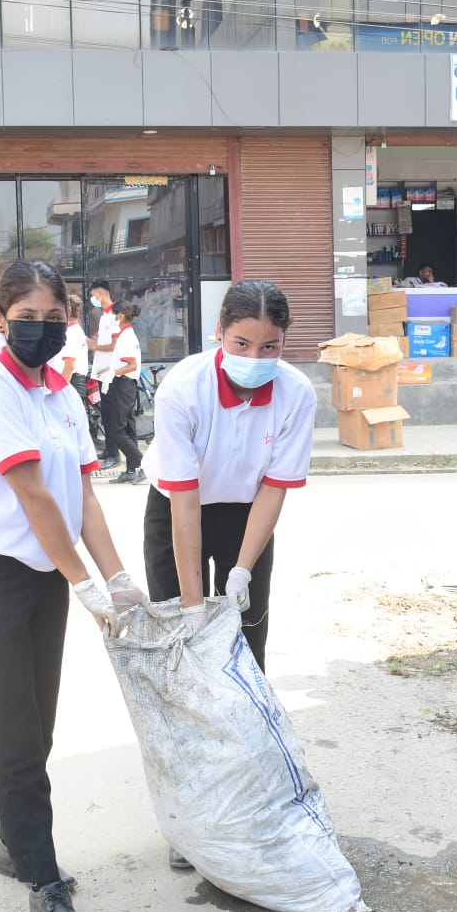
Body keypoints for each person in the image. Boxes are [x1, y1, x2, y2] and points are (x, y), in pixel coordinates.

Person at [0, 259, 146, 912]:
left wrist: (117, 579)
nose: (39, 329)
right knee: (13, 734)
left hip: (46, 573)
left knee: (39, 723)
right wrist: (85, 585)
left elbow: (82, 495)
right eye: (25, 318)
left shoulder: (60, 391)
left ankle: (14, 843)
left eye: (52, 317)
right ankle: (42, 878)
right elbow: (31, 492)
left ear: (69, 320)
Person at [142, 279, 316, 673]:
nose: (254, 357)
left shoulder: (297, 393)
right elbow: (184, 501)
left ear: (284, 341)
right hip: (177, 510)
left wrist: (242, 570)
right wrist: (191, 606)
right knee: (179, 638)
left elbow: (274, 489)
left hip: (247, 514)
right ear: (219, 332)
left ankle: (246, 728)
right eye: (241, 344)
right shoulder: (182, 390)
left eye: (268, 347)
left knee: (247, 630)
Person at [102, 301, 145, 485]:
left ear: (120, 316)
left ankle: (142, 464)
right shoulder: (126, 335)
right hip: (125, 385)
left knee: (116, 430)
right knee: (128, 428)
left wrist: (114, 372)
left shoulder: (126, 336)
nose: (111, 318)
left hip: (122, 385)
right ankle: (131, 470)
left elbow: (132, 365)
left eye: (113, 314)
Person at [85, 280, 121, 470]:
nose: (93, 300)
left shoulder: (114, 314)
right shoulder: (104, 316)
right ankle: (109, 448)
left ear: (100, 294)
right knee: (105, 413)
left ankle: (114, 454)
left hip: (110, 373)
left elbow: (114, 345)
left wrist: (94, 345)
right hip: (101, 372)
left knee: (111, 414)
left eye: (93, 295)